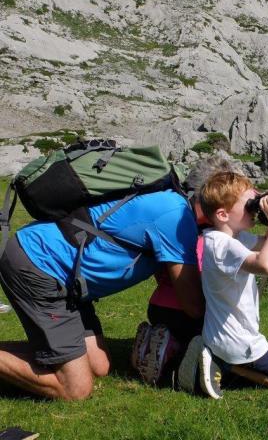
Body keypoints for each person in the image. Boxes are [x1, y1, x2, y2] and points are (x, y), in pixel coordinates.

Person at [0, 161, 208, 400]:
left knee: (100, 367)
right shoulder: (175, 213)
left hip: (71, 279)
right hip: (39, 264)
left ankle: (51, 354)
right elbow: (193, 306)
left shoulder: (172, 203)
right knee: (75, 389)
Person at [178, 171, 268, 398]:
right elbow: (267, 265)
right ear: (223, 214)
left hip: (219, 334)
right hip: (237, 341)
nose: (253, 207)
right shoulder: (223, 246)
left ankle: (216, 357)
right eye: (249, 204)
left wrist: (267, 206)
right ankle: (225, 365)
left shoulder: (227, 237)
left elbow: (267, 243)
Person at [132, 156, 242, 384]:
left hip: (157, 304)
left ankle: (154, 342)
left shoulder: (179, 217)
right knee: (214, 340)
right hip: (184, 310)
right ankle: (172, 352)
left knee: (183, 329)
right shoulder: (200, 233)